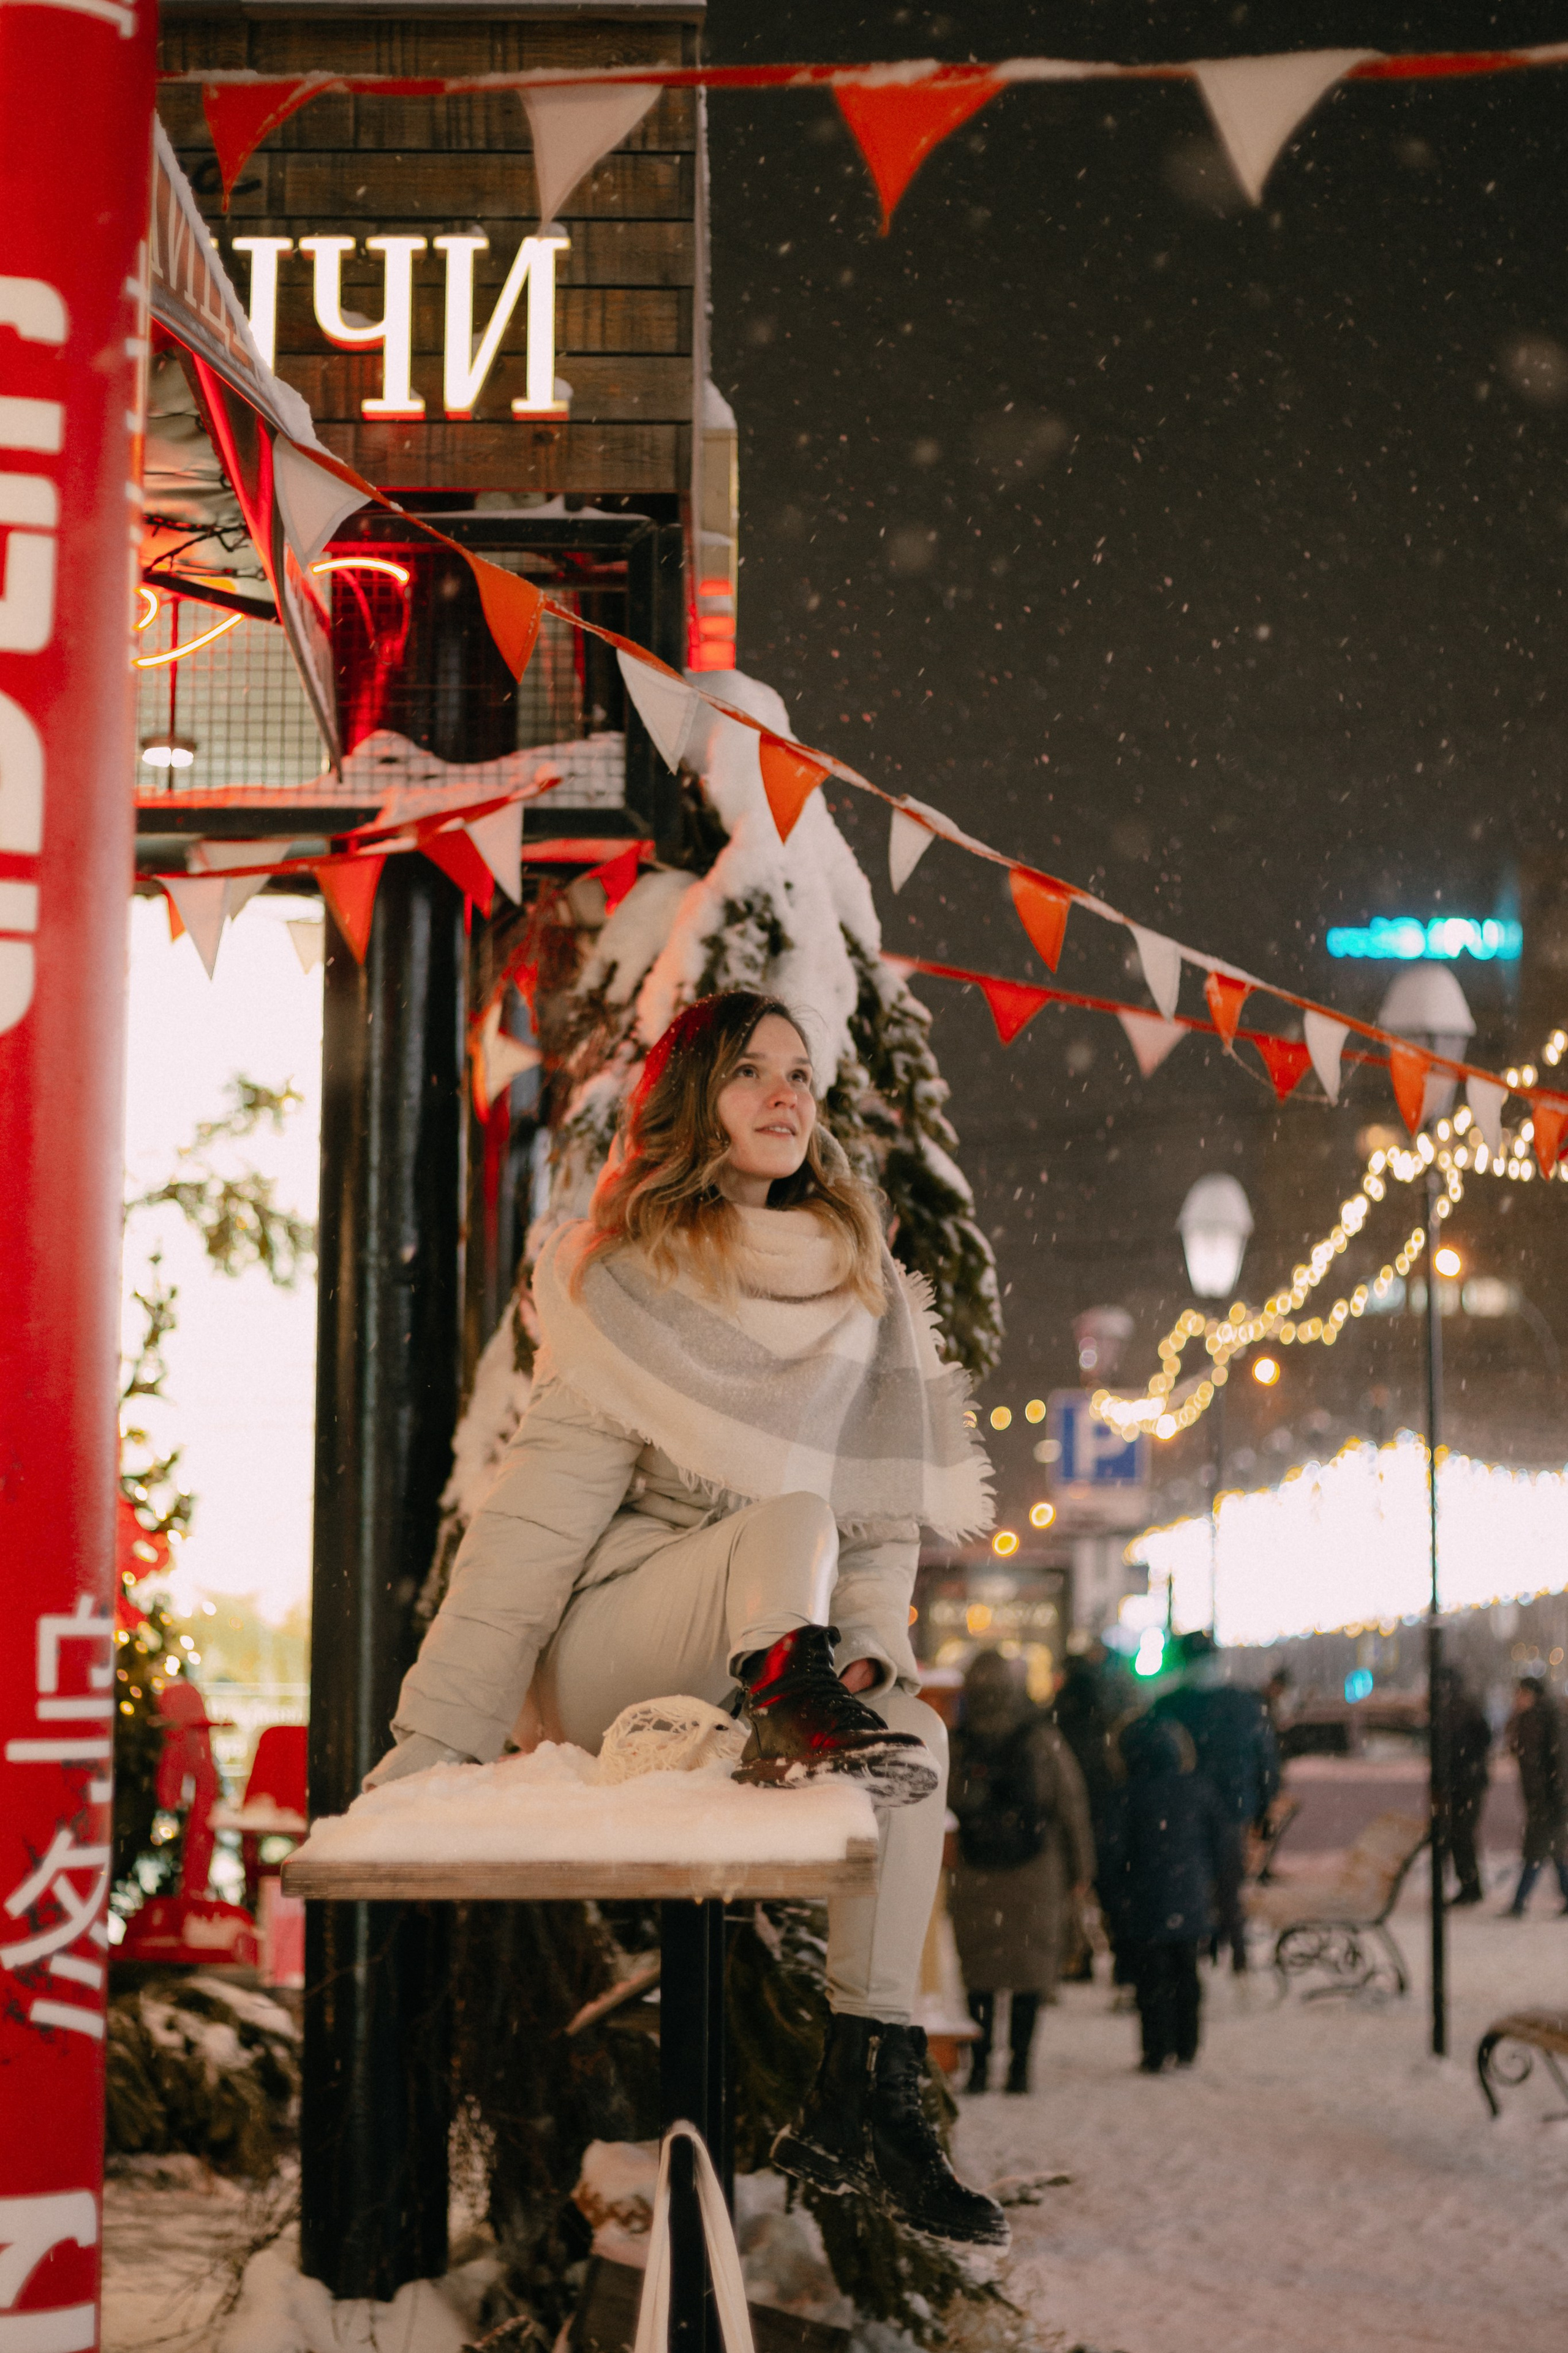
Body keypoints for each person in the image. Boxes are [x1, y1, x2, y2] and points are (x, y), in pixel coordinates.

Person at [364, 991, 1005, 2248]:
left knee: (915, 1744)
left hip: (786, 1649)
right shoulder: (632, 1285)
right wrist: (433, 1748)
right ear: (692, 1105)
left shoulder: (857, 1294)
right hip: (616, 1651)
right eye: (750, 1072)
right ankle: (792, 1695)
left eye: (801, 1076)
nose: (784, 1096)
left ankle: (866, 2084)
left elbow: (873, 1531)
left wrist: (867, 1650)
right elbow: (530, 1537)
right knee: (788, 1521)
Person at [948, 1650, 1094, 2094]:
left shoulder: (955, 1742)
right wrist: (1082, 1870)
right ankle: (1019, 2067)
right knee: (1029, 1972)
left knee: (981, 1974)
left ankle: (978, 2067)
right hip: (1036, 1871)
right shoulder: (1042, 1739)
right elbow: (1071, 1807)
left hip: (976, 1874)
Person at [1099, 1716, 1227, 2073]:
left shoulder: (1127, 1795)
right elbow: (1222, 1847)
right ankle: (1187, 2044)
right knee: (1186, 1972)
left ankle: (1156, 2049)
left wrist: (1115, 1898)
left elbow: (1112, 1852)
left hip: (1144, 1903)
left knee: (1151, 1979)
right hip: (1190, 1898)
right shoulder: (1199, 1789)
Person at [1152, 1631, 1280, 1972]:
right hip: (1233, 1807)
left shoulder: (1170, 1706)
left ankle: (1196, 1951)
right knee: (1228, 1885)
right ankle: (1235, 1951)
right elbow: (1265, 1760)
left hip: (1181, 1813)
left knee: (1189, 1882)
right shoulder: (1243, 1705)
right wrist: (1263, 1807)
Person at [1051, 1644, 1119, 1983]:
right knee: (1097, 1886)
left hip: (1071, 1813)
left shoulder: (1058, 1718)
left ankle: (1078, 1956)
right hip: (1101, 1812)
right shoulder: (1102, 1718)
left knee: (1072, 1888)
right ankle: (1100, 1952)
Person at [1503, 1677, 1568, 1917]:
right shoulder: (1529, 1718)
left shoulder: (1547, 1718)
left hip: (1549, 1798)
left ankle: (1519, 1902)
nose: (1517, 1699)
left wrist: (1559, 1797)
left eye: (1521, 1694)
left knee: (1537, 1850)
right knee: (1555, 1850)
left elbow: (1559, 1761)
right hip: (1542, 1797)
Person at [1435, 1664, 1491, 1907]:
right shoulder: (1458, 1708)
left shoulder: (1459, 1709)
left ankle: (1470, 1885)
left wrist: (1465, 1764)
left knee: (1461, 1835)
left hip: (1464, 1783)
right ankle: (1468, 1885)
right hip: (1463, 1782)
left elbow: (1481, 1741)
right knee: (1458, 1836)